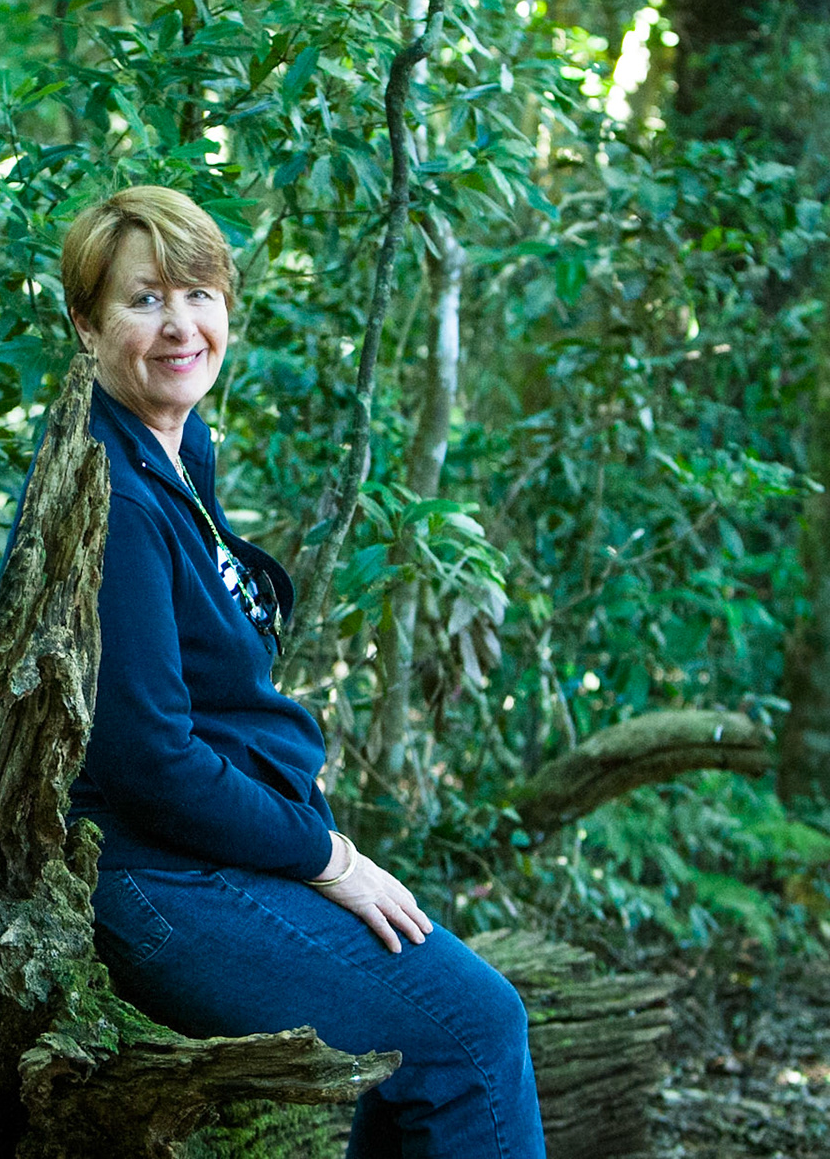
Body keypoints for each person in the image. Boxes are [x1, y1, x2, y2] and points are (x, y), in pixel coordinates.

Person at [57, 185, 544, 1158]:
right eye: (144, 300)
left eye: (197, 292)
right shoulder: (109, 493)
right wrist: (330, 857)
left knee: (419, 1049)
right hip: (154, 876)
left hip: (219, 848)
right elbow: (151, 759)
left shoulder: (176, 445)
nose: (180, 325)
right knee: (477, 1028)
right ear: (86, 324)